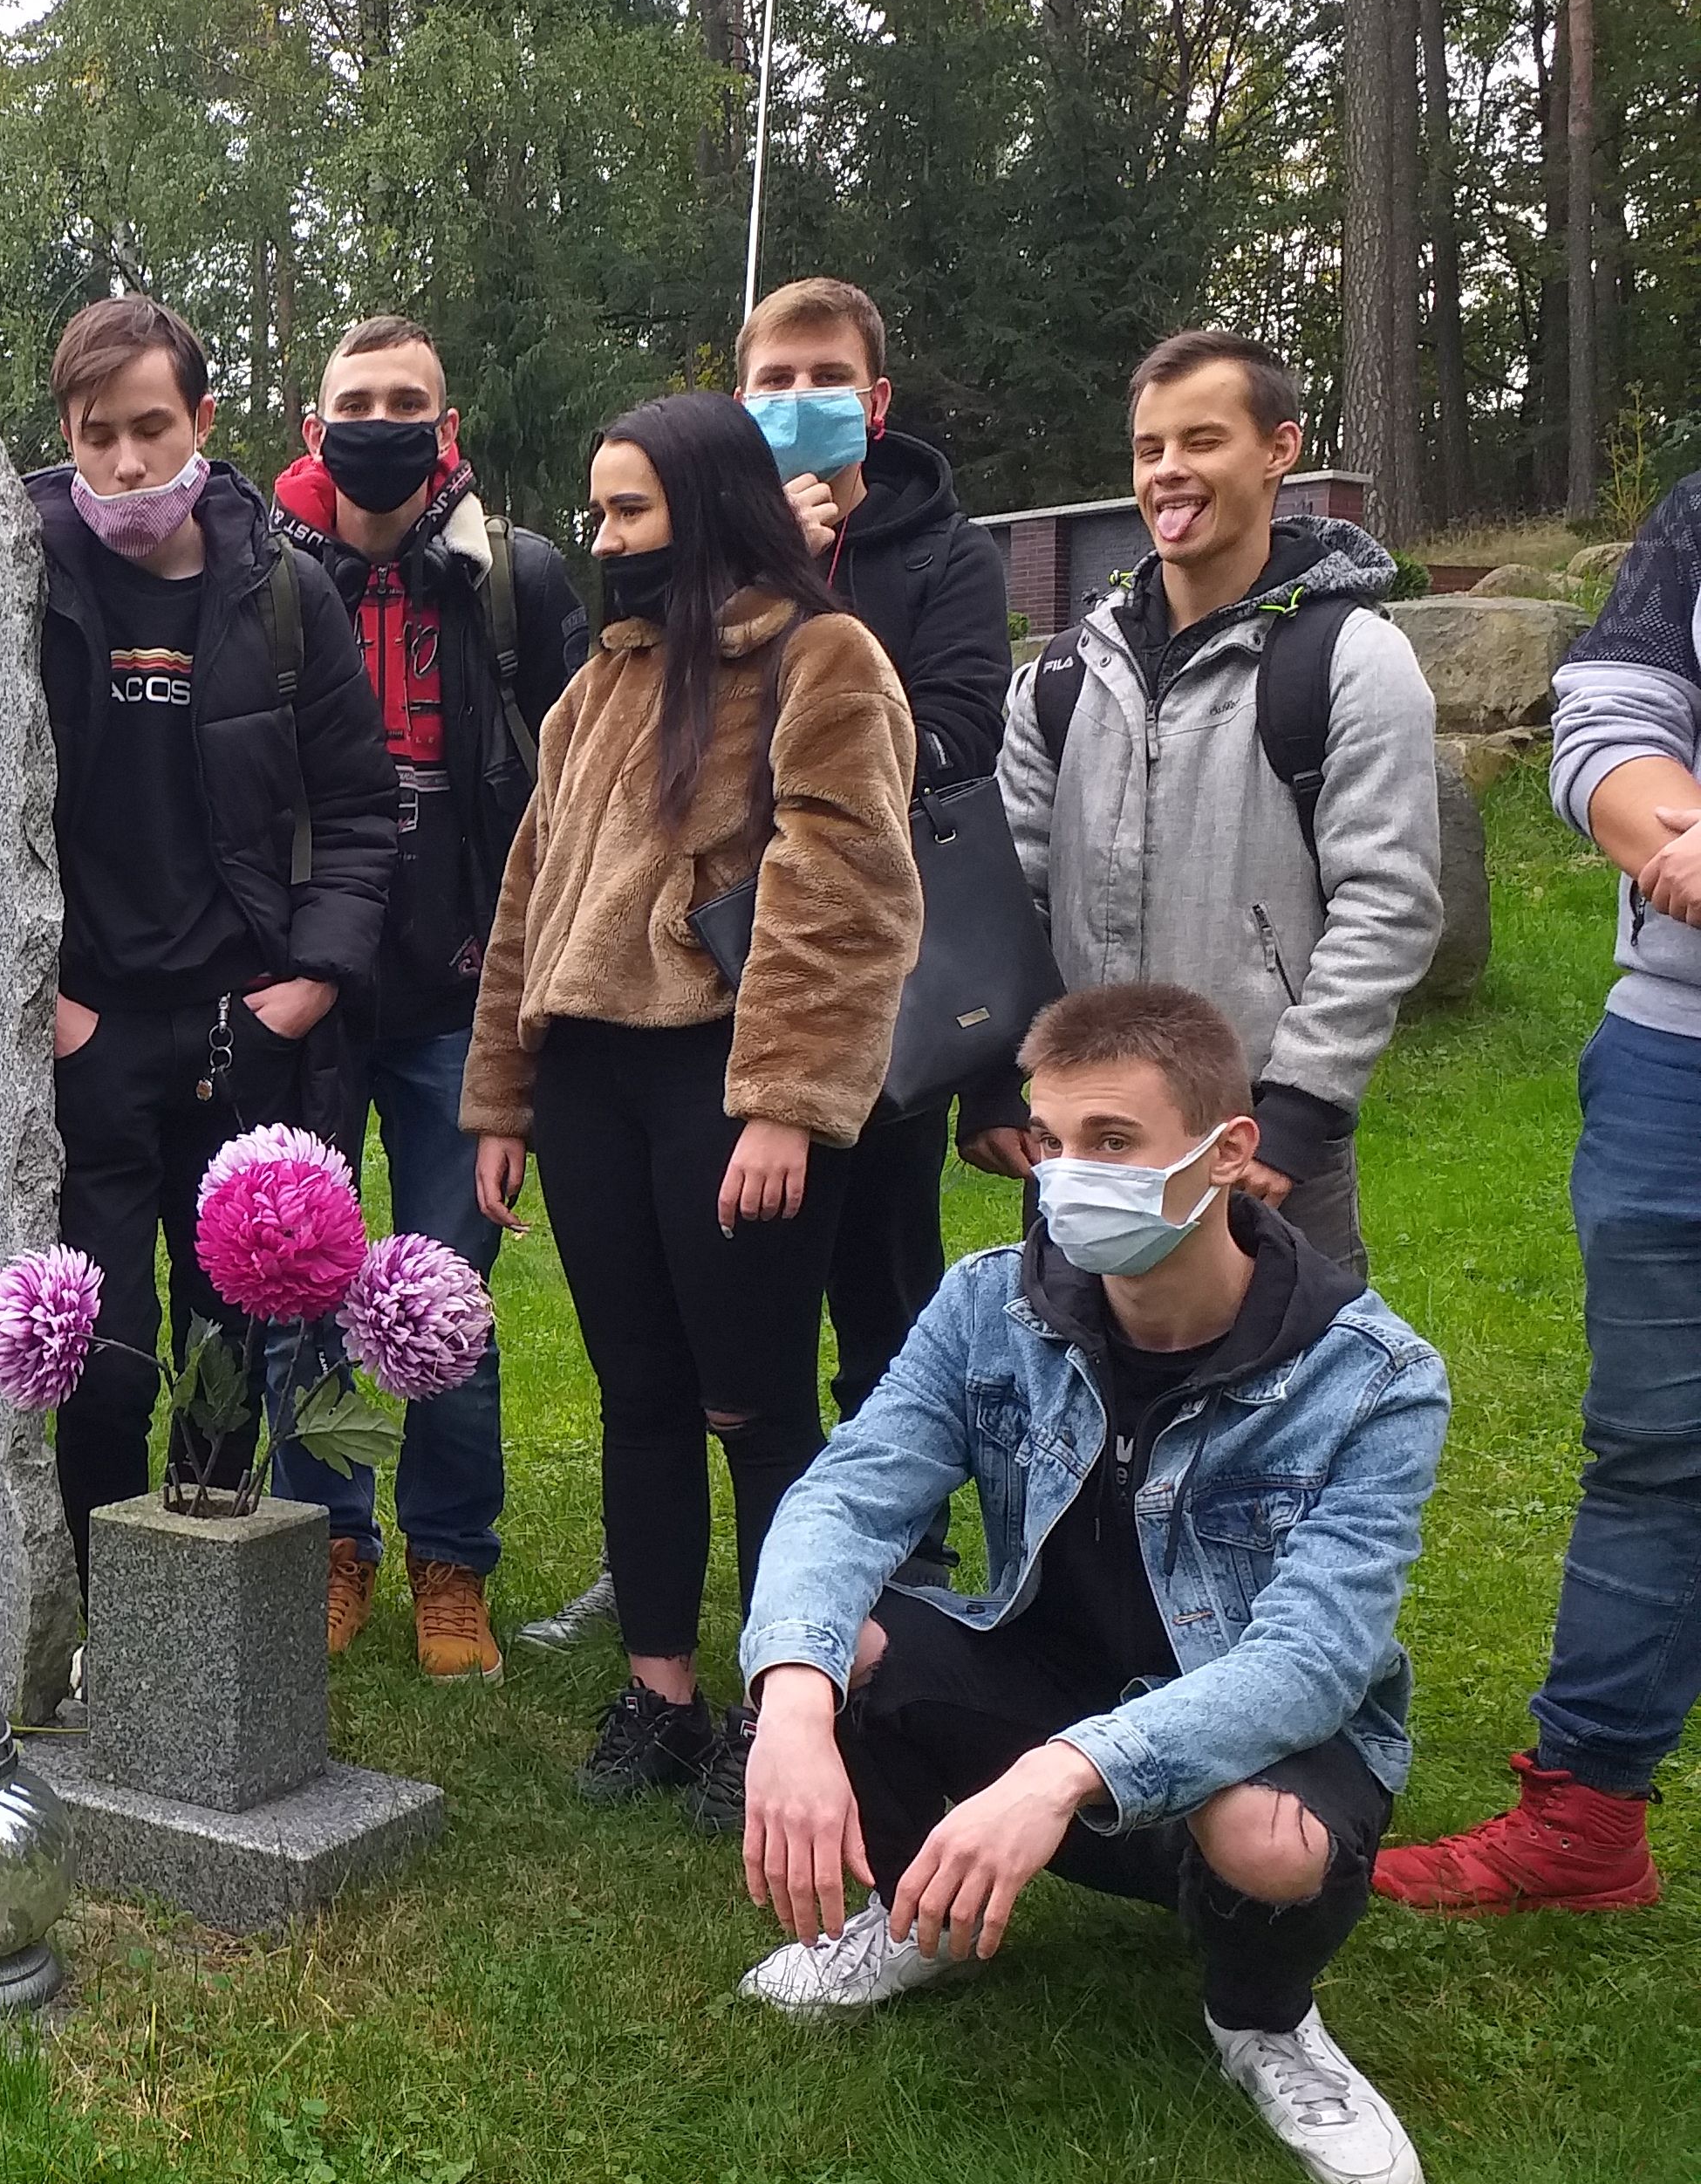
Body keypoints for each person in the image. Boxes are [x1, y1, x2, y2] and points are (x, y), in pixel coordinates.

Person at [734, 983, 1440, 2184]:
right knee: (840, 1643)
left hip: (1238, 1735)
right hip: (1045, 1672)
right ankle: (917, 1917)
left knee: (1267, 1843)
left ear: (1229, 1152)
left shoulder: (1373, 1377)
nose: (1068, 1180)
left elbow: (1310, 1663)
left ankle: (1262, 2017)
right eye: (1052, 1141)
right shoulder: (988, 1303)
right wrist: (788, 1698)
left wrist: (1061, 1773)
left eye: (1113, 1142)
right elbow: (848, 1497)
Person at [461, 393, 919, 1825]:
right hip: (589, 1084)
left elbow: (844, 894)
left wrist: (783, 1103)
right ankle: (659, 1694)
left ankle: (782, 1704)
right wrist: (503, 1098)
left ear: (711, 506)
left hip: (725, 1076)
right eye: (597, 512)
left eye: (630, 511)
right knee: (640, 1395)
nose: (604, 540)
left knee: (755, 1403)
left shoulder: (819, 659)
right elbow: (528, 896)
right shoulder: (600, 684)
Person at [31, 294, 396, 1687]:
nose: (125, 464)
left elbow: (357, 811)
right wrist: (44, 1004)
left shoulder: (284, 593)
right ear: (66, 436)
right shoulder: (19, 575)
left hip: (246, 1030)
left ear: (202, 422)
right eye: (96, 436)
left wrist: (307, 984)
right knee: (104, 1353)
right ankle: (104, 1625)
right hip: (87, 1031)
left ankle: (197, 1635)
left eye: (151, 428)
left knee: (230, 1343)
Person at [1377, 469, 1701, 1913]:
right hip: (1674, 1054)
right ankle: (1584, 1821)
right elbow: (1613, 717)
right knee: (1654, 1452)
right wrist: (1676, 838)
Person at [970, 330, 1441, 1279]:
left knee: (1284, 1369)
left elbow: (1387, 903)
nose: (1169, 472)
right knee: (1067, 1363)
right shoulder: (1060, 675)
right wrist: (993, 1078)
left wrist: (1300, 1106)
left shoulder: (1353, 661)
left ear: (1279, 450)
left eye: (1203, 441)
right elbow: (1008, 899)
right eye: (1150, 449)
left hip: (1259, 1137)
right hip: (1080, 1138)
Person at [265, 313, 585, 1675]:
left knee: (443, 1293)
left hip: (463, 996)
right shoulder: (265, 578)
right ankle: (329, 1539)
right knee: (295, 1283)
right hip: (312, 991)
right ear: (314, 426)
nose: (381, 423)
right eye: (358, 402)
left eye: (408, 402)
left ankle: (452, 1560)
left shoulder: (518, 581)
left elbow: (575, 787)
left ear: (446, 429)